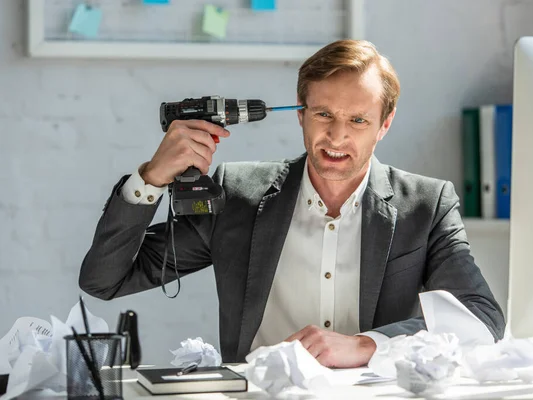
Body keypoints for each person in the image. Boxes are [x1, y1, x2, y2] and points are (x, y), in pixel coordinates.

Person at [79, 39, 505, 368]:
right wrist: (151, 178)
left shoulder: (427, 205)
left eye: (358, 120)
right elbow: (106, 280)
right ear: (301, 114)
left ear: (384, 125)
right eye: (323, 115)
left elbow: (481, 317)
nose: (337, 137)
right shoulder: (238, 195)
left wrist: (366, 344)